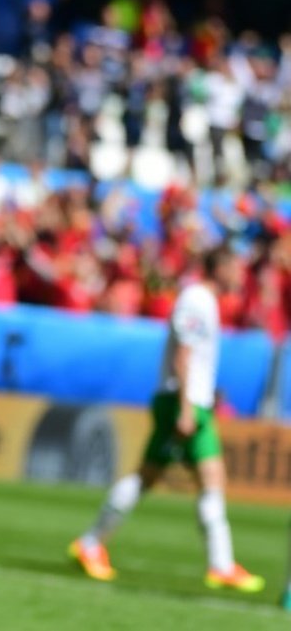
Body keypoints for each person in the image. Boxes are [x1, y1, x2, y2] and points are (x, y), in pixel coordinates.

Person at [68, 246, 264, 593]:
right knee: (172, 476)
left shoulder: (204, 300)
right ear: (217, 267)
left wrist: (205, 394)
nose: (239, 275)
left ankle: (219, 564)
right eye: (234, 268)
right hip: (181, 402)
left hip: (190, 400)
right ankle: (92, 542)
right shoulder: (197, 300)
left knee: (178, 476)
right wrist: (188, 406)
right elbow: (183, 356)